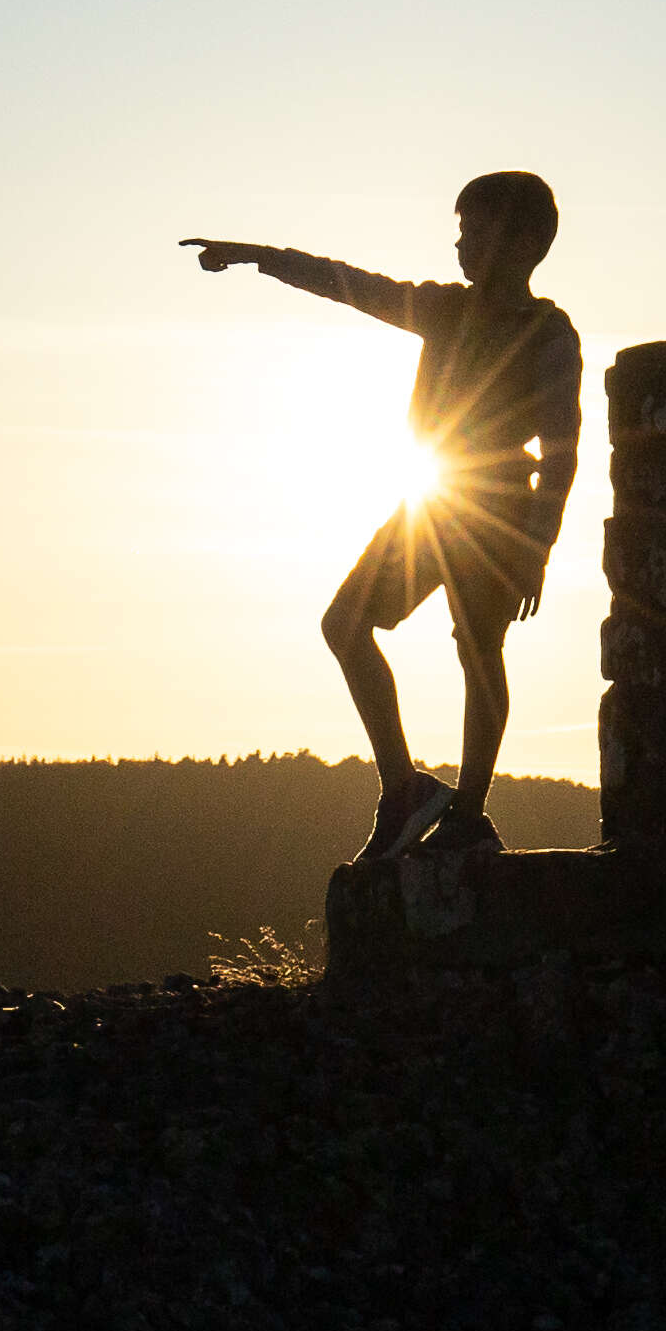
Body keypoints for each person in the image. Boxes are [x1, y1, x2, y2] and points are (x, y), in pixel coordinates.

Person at [185, 173, 582, 869]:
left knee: (478, 651)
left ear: (525, 244)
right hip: (432, 505)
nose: (461, 243)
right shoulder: (442, 308)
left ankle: (467, 812)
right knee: (346, 623)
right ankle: (404, 787)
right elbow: (346, 282)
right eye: (459, 231)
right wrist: (256, 255)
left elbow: (561, 450)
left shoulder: (549, 334)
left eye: (477, 231)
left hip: (495, 512)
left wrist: (537, 547)